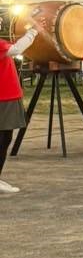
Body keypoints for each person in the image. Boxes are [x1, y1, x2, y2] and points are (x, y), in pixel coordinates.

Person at [0, 18, 41, 194]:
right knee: (3, 138)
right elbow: (16, 49)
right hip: (4, 96)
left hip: (7, 95)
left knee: (4, 138)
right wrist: (33, 31)